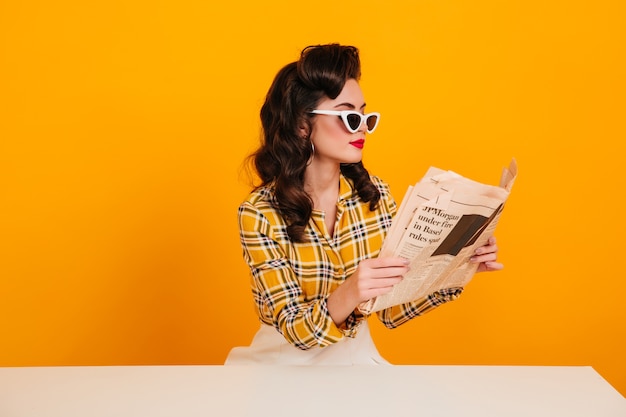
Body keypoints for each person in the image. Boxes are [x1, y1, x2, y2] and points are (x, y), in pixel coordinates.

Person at [225, 44, 502, 365]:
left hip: (355, 362)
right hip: (279, 364)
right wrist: (351, 290)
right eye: (349, 116)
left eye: (365, 116)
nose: (362, 128)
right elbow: (295, 329)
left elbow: (391, 312)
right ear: (302, 125)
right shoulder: (260, 213)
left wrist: (459, 266)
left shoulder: (375, 196)